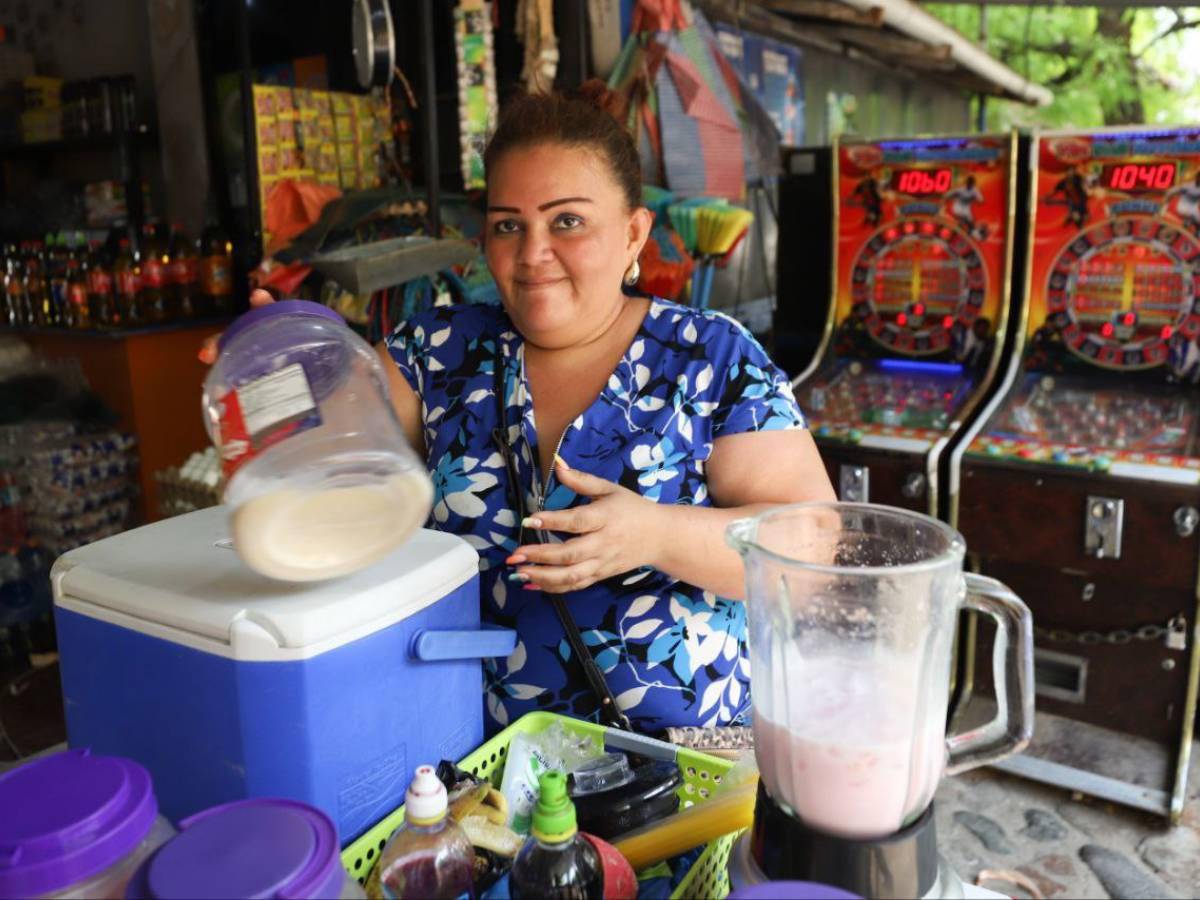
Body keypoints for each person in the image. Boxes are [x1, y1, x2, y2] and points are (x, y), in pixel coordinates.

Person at [215, 82, 834, 734]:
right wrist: (269, 373)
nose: (533, 253)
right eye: (510, 224)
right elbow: (322, 453)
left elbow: (814, 550)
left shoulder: (712, 357)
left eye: (567, 221)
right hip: (475, 774)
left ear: (632, 234)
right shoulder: (438, 352)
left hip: (679, 783)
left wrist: (656, 534)